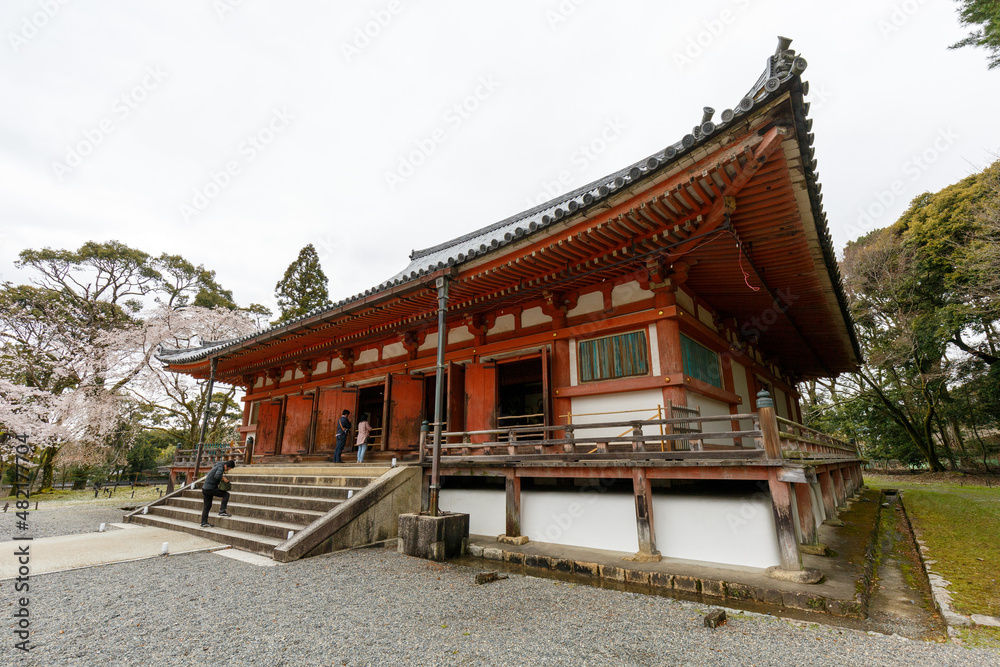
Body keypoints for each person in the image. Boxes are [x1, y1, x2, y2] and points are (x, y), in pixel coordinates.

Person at [200, 459, 235, 528]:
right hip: (210, 488)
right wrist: (223, 478)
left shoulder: (217, 465)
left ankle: (204, 522)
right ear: (225, 465)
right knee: (226, 494)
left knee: (207, 506)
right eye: (228, 469)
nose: (227, 470)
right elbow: (217, 476)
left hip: (205, 488)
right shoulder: (220, 467)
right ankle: (222, 511)